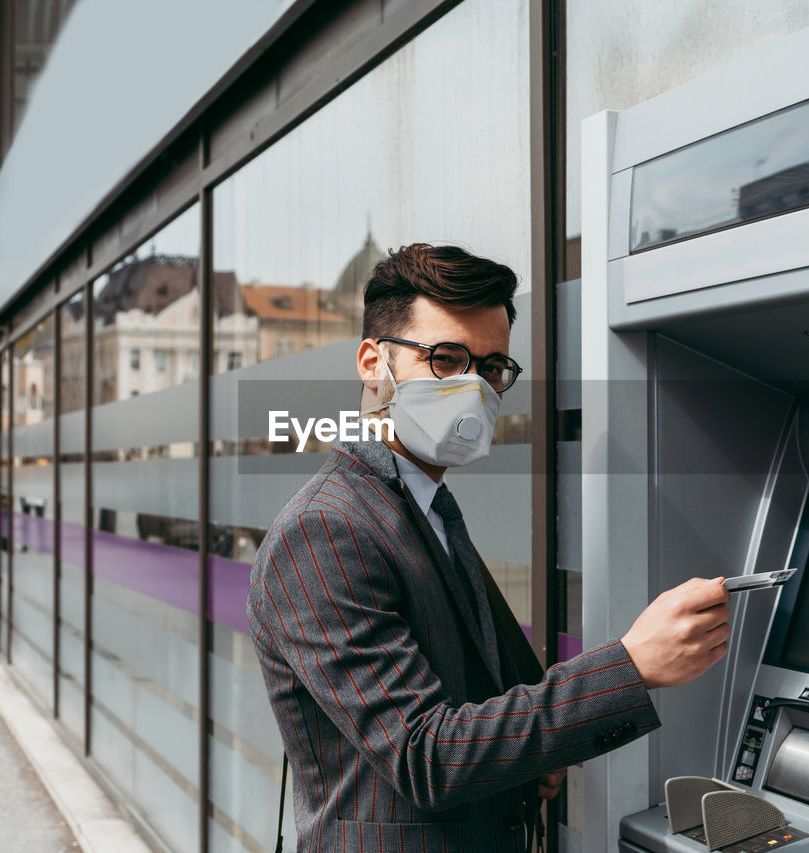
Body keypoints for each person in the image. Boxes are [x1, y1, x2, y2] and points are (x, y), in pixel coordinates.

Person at [248, 244, 731, 852]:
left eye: (491, 365)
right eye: (445, 358)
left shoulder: (424, 508)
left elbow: (464, 700)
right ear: (373, 363)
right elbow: (426, 756)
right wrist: (632, 666)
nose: (473, 385)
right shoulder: (325, 530)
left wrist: (529, 764)